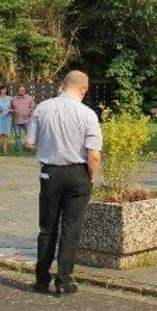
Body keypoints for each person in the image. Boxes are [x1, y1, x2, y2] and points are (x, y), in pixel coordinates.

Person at [26, 70, 102, 296]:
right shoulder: (88, 114)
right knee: (71, 228)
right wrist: (91, 176)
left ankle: (41, 280)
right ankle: (64, 279)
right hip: (77, 173)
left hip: (50, 172)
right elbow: (94, 154)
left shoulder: (42, 108)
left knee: (47, 228)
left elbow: (30, 142)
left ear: (62, 85)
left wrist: (49, 146)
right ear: (84, 89)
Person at [10, 85, 36, 153]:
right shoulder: (13, 99)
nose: (21, 91)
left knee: (29, 135)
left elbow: (33, 108)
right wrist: (12, 112)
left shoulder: (29, 98)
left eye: (22, 90)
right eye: (20, 90)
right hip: (16, 120)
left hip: (27, 120)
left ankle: (31, 149)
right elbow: (11, 108)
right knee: (17, 136)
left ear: (25, 91)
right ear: (17, 91)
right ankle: (19, 150)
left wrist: (29, 114)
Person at [0, 84, 13, 155]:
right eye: (3, 89)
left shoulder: (10, 98)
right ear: (0, 90)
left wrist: (10, 110)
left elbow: (12, 107)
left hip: (7, 117)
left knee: (6, 134)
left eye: (5, 89)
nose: (4, 91)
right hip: (0, 117)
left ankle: (5, 150)